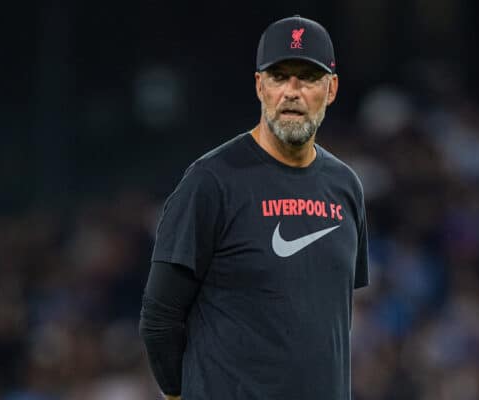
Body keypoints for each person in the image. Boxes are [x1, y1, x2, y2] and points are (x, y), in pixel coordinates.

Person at [139, 15, 369, 400]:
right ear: (260, 86)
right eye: (279, 76)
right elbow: (159, 319)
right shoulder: (211, 182)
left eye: (308, 78)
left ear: (331, 89)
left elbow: (330, 317)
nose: (291, 92)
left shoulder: (345, 187)